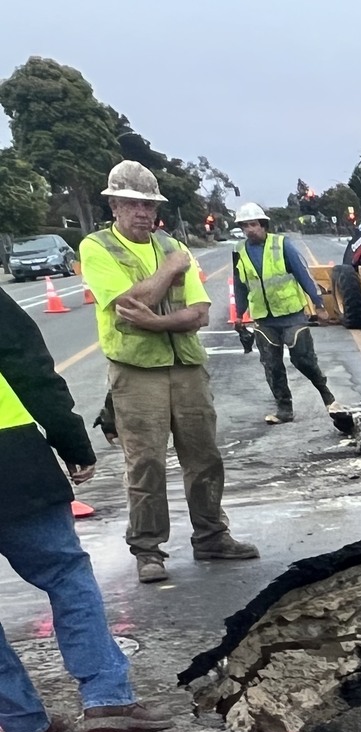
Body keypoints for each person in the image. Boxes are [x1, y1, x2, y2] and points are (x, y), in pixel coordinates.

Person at [0, 287, 177, 732]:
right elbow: (31, 371)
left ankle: (26, 728)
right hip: (10, 466)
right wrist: (73, 445)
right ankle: (107, 697)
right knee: (65, 575)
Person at [78, 160, 257, 585]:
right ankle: (147, 550)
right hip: (136, 369)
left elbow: (198, 313)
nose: (143, 212)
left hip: (187, 363)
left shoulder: (172, 244)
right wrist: (170, 269)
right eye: (133, 204)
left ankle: (212, 535)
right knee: (146, 463)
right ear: (115, 205)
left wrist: (155, 320)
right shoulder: (99, 246)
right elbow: (126, 304)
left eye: (148, 205)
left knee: (204, 456)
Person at [230, 201, 336, 427]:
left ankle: (328, 397)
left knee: (304, 360)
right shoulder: (239, 252)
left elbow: (303, 275)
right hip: (264, 319)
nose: (249, 230)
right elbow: (241, 285)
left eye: (253, 224)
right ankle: (284, 409)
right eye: (244, 226)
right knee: (272, 365)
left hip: (291, 315)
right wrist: (239, 314)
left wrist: (319, 305)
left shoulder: (281, 245)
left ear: (263, 225)